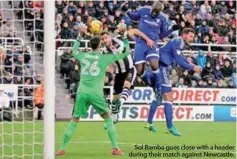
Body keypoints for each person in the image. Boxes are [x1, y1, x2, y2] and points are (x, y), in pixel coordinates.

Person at [57, 33, 130, 156]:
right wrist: (125, 39)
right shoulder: (104, 57)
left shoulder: (83, 55)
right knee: (108, 117)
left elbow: (73, 50)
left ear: (90, 45)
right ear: (100, 45)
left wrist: (79, 37)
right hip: (95, 93)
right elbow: (126, 53)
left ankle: (62, 149)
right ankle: (115, 148)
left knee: (75, 119)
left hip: (82, 92)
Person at [144, 28, 202, 136]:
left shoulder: (178, 43)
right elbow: (179, 60)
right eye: (190, 36)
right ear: (184, 34)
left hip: (161, 67)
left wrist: (192, 65)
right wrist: (192, 67)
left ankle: (149, 122)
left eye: (192, 37)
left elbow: (180, 58)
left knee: (158, 97)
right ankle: (170, 127)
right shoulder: (178, 41)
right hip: (162, 68)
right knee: (169, 98)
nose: (191, 39)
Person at [125, 1, 179, 96]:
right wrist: (127, 11)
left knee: (154, 65)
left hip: (152, 43)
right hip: (140, 42)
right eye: (153, 10)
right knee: (139, 71)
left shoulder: (162, 18)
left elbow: (162, 34)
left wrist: (171, 29)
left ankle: (158, 89)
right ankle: (150, 83)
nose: (154, 13)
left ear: (160, 11)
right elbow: (134, 17)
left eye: (157, 12)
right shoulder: (144, 10)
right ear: (151, 8)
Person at [100, 28, 154, 123]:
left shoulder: (119, 38)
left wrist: (147, 39)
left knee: (127, 85)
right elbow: (110, 65)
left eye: (105, 38)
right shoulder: (104, 52)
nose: (104, 40)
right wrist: (107, 71)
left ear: (109, 37)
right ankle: (114, 117)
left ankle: (120, 103)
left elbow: (135, 31)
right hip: (119, 73)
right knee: (115, 98)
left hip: (130, 69)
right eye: (102, 39)